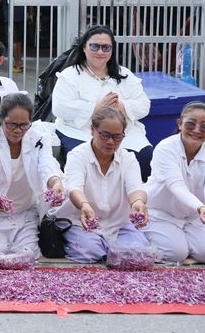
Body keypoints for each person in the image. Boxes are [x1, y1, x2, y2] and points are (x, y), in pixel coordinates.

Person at [0, 93, 65, 258]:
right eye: (11, 125)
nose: (18, 130)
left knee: (29, 254)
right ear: (1, 119)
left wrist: (56, 183)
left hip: (25, 210)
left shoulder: (39, 138)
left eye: (24, 125)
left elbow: (47, 165)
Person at [51, 25, 153, 178]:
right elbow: (60, 108)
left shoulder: (124, 74)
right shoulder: (70, 75)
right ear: (84, 47)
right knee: (88, 159)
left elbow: (144, 105)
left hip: (123, 134)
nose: (100, 52)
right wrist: (98, 108)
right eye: (94, 46)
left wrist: (120, 106)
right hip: (81, 132)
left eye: (106, 47)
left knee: (146, 156)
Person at [58, 107, 150, 263]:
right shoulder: (78, 155)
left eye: (117, 137)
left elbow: (135, 188)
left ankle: (109, 247)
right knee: (92, 251)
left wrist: (138, 202)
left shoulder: (128, 158)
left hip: (117, 224)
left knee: (137, 252)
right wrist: (84, 205)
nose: (111, 142)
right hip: (81, 222)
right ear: (92, 130)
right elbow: (74, 187)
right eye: (105, 135)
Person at [142, 102, 205, 263]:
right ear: (180, 124)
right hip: (161, 212)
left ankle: (182, 240)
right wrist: (201, 207)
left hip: (194, 216)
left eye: (204, 127)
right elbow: (176, 185)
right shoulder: (165, 148)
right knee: (176, 254)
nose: (197, 130)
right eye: (190, 124)